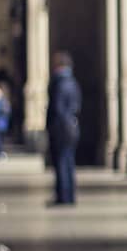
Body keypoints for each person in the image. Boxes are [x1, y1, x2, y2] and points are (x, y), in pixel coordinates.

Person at [45, 51, 81, 206]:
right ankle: (70, 195)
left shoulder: (58, 83)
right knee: (69, 162)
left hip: (60, 128)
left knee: (60, 163)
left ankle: (63, 196)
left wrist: (52, 126)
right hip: (72, 127)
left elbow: (57, 109)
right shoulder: (73, 82)